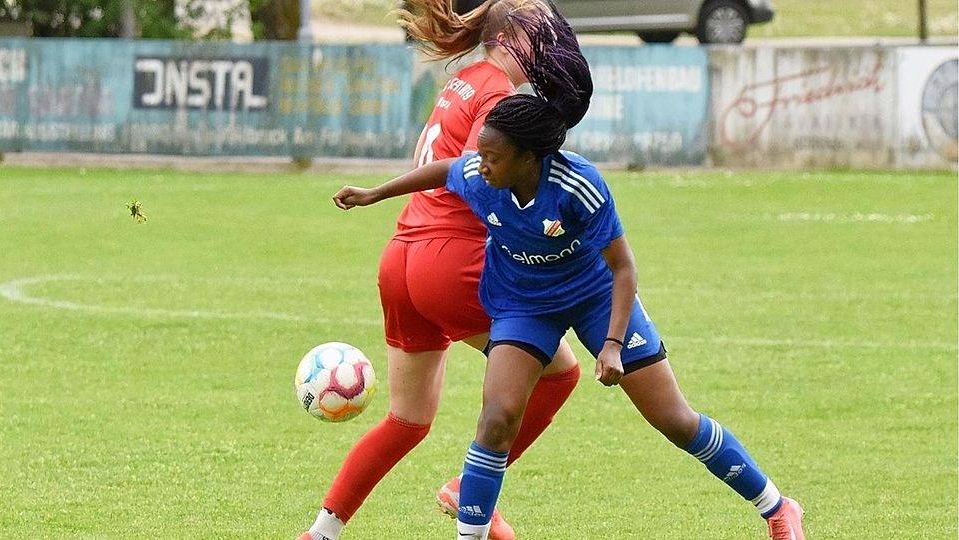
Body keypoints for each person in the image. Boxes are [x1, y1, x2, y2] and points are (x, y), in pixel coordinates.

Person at [331, 3, 807, 540]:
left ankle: (776, 506)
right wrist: (375, 193)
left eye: (491, 157)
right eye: (479, 155)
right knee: (496, 419)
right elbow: (445, 168)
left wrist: (609, 344)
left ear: (530, 158)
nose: (479, 165)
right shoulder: (479, 174)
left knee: (673, 419)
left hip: (592, 296)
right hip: (525, 303)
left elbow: (623, 268)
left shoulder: (578, 184)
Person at [298, 1, 583, 539]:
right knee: (560, 372)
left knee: (407, 420)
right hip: (450, 261)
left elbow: (437, 161)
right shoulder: (498, 93)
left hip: (402, 257)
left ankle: (319, 532)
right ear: (514, 37)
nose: (549, 45)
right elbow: (482, 175)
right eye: (541, 34)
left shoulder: (463, 81)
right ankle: (467, 489)